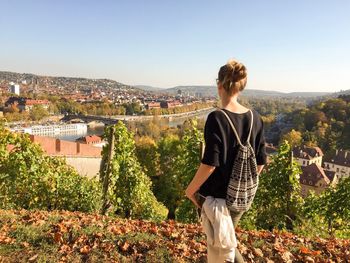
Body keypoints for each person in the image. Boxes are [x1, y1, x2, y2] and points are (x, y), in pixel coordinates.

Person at [185, 59, 267, 262]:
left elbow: (210, 164)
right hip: (240, 199)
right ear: (241, 86)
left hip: (216, 198)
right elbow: (261, 161)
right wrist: (242, 184)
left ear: (219, 85)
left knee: (222, 248)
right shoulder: (255, 118)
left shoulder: (216, 118)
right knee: (226, 243)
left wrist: (190, 191)